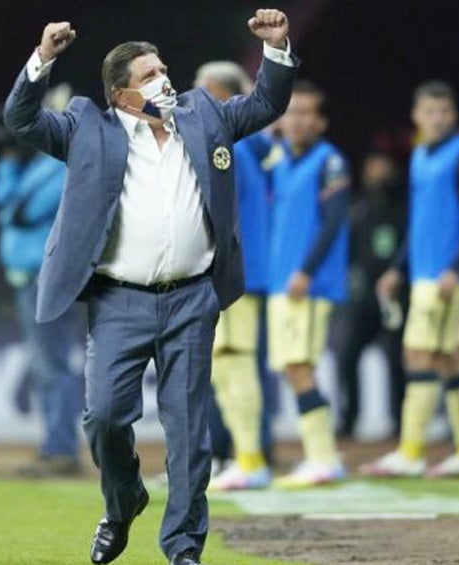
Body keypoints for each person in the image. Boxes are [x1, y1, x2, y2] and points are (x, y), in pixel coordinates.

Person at [3, 10, 296, 565]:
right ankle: (123, 501)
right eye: (149, 75)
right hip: (119, 300)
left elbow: (265, 105)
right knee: (106, 417)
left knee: (189, 433)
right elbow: (20, 118)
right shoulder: (87, 126)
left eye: (163, 69)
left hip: (192, 297)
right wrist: (43, 58)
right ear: (121, 93)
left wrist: (276, 49)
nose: (164, 79)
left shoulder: (203, 113)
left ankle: (183, 549)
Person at [361, 80, 459, 479]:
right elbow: (419, 223)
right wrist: (398, 268)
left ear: (454, 115)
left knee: (417, 354)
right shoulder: (419, 156)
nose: (438, 119)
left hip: (447, 276)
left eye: (445, 112)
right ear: (417, 117)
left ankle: (411, 451)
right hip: (425, 273)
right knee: (451, 357)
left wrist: (455, 266)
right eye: (430, 112)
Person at [193, 61, 278, 492]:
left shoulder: (232, 146)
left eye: (203, 92)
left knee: (236, 364)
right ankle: (241, 457)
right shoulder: (247, 145)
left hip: (236, 272)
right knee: (226, 368)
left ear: (225, 97)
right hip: (238, 271)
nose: (194, 101)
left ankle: (251, 459)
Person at [0, 95, 83, 476]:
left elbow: (20, 211)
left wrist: (13, 168)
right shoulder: (32, 165)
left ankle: (62, 450)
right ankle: (54, 446)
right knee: (46, 363)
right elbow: (1, 200)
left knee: (53, 363)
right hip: (28, 277)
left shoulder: (61, 164)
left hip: (49, 278)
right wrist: (7, 159)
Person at [265, 80, 349, 488]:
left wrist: (307, 271)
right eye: (291, 112)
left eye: (305, 113)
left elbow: (334, 222)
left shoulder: (329, 161)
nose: (297, 120)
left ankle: (323, 457)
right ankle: (319, 455)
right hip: (283, 281)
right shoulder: (279, 159)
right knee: (292, 366)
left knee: (301, 366)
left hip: (308, 284)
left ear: (321, 121)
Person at [336, 152, 407, 438]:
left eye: (383, 171)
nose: (378, 177)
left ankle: (400, 421)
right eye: (372, 171)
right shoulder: (360, 209)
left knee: (397, 358)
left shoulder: (404, 209)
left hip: (397, 295)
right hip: (366, 297)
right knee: (348, 354)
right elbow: (350, 251)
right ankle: (350, 418)